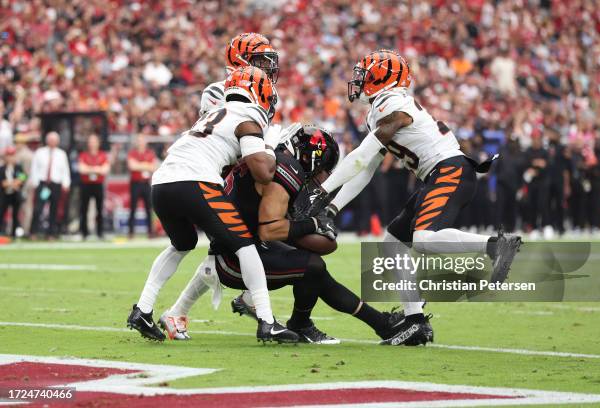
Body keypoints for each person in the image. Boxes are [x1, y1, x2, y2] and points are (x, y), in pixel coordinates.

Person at [293, 50, 522, 346]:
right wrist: (334, 206)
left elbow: (360, 157)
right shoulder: (381, 108)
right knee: (393, 245)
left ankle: (497, 245)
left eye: (367, 75)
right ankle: (415, 322)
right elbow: (367, 168)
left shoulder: (392, 103)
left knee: (425, 240)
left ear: (383, 78)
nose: (359, 81)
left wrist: (323, 192)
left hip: (449, 171)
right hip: (437, 175)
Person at [160, 125, 415, 345]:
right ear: (313, 158)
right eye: (324, 168)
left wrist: (308, 228)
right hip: (237, 258)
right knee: (313, 266)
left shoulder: (270, 158)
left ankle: (378, 322)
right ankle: (311, 324)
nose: (322, 177)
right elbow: (271, 229)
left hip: (239, 248)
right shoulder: (286, 168)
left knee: (313, 264)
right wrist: (313, 224)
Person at [127, 66, 297, 344]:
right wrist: (268, 146)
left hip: (162, 183)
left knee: (182, 243)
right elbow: (263, 173)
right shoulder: (248, 115)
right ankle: (267, 321)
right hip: (195, 182)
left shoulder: (212, 116)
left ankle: (143, 310)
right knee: (245, 245)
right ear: (260, 93)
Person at [29, 131, 71, 240]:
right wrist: (35, 182)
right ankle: (33, 231)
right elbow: (34, 168)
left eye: (54, 140)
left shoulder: (61, 154)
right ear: (47, 140)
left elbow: (65, 170)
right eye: (50, 139)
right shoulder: (40, 152)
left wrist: (66, 183)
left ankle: (51, 233)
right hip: (43, 184)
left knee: (54, 209)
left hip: (55, 184)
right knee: (38, 208)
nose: (52, 142)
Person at [78, 134, 109, 240]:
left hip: (98, 184)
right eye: (90, 141)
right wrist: (97, 169)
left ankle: (100, 232)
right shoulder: (83, 155)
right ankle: (84, 232)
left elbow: (105, 170)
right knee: (84, 209)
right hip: (86, 184)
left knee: (99, 209)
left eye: (94, 141)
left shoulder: (102, 155)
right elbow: (82, 169)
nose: (92, 144)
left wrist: (90, 168)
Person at [127, 134, 157, 238]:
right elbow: (132, 166)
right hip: (135, 183)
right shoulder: (132, 153)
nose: (140, 142)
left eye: (142, 140)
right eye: (139, 140)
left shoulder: (150, 153)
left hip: (145, 183)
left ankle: (150, 232)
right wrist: (145, 165)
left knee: (149, 208)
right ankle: (131, 232)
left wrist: (139, 165)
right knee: (133, 208)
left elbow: (153, 167)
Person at [0, 146, 26, 237]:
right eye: (8, 156)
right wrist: (12, 183)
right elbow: (2, 182)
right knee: (1, 212)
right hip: (4, 194)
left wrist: (15, 183)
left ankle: (13, 233)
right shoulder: (2, 168)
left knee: (15, 214)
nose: (10, 158)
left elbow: (23, 177)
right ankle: (2, 232)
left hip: (15, 194)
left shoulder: (18, 167)